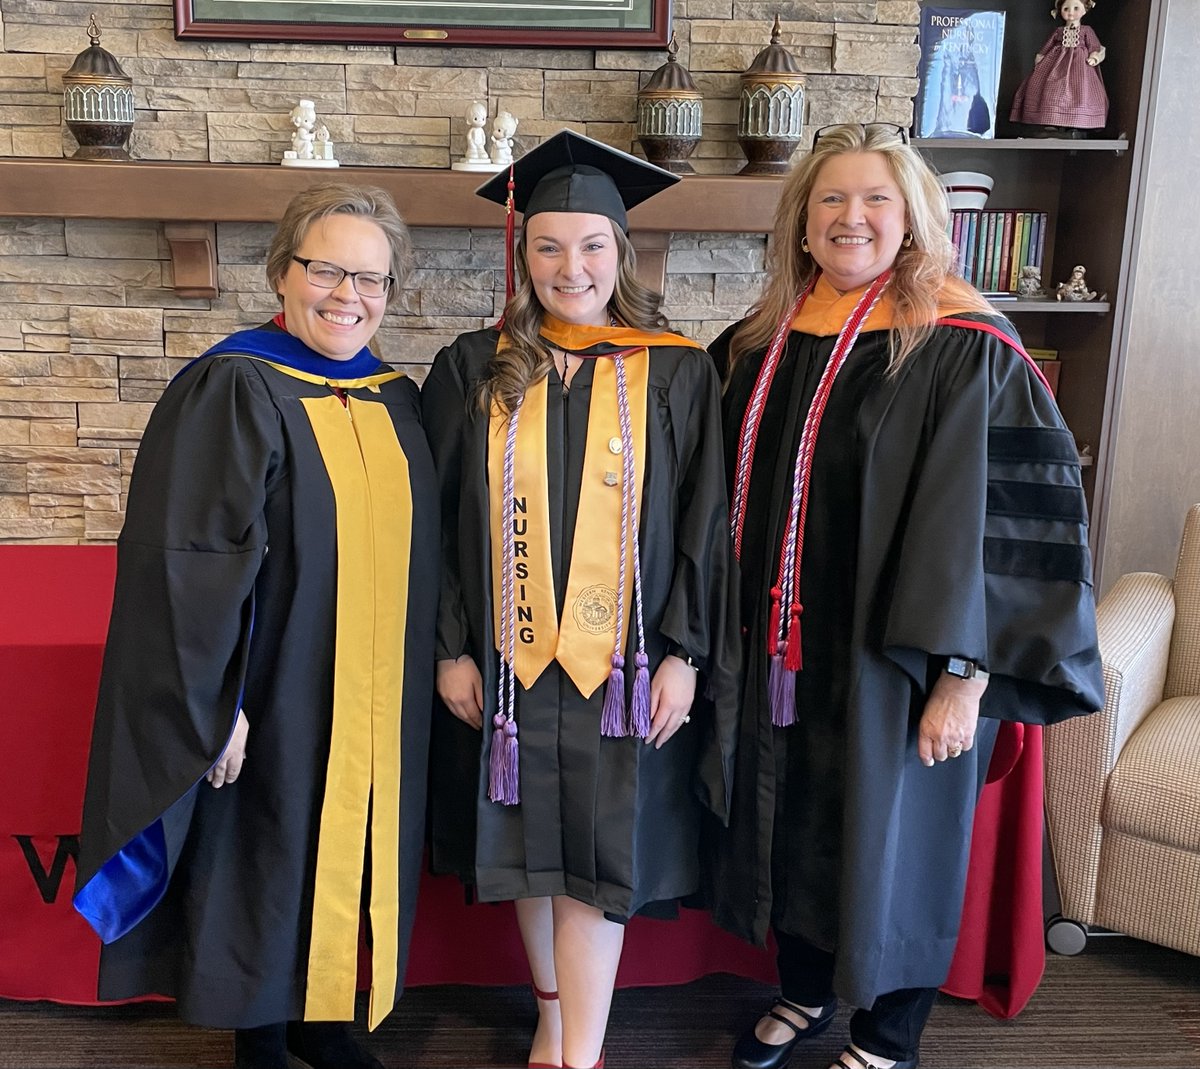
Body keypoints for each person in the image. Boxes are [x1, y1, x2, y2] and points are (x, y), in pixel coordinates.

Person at [705, 122, 1104, 1069]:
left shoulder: (969, 346)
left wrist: (966, 674)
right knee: (793, 813)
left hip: (909, 650)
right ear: (801, 224)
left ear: (914, 216)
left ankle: (889, 1033)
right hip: (783, 646)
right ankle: (802, 989)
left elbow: (1015, 519)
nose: (852, 217)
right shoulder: (760, 344)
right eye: (830, 200)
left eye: (875, 199)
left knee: (904, 835)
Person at [73, 184, 438, 1069]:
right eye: (326, 270)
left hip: (373, 686)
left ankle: (321, 1013)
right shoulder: (235, 384)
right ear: (283, 270)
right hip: (269, 682)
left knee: (344, 844)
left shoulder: (393, 396)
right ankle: (261, 1034)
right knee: (267, 842)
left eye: (372, 278)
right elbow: (186, 558)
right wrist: (217, 701)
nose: (348, 295)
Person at [422, 130, 738, 1069]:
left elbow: (704, 522)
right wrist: (450, 646)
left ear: (622, 252)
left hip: (619, 669)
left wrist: (684, 651)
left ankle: (581, 1053)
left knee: (594, 863)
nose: (573, 267)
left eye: (593, 244)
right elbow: (435, 525)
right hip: (510, 670)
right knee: (527, 850)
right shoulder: (470, 366)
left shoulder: (677, 369)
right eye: (550, 246)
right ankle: (555, 1017)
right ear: (523, 255)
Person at [1010, 0, 1108, 135]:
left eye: (1075, 8)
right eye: (1066, 9)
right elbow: (1048, 45)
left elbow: (1094, 45)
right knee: (1051, 90)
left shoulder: (1086, 30)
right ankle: (1052, 124)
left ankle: (1075, 125)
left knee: (1079, 92)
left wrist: (1094, 56)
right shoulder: (1059, 31)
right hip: (1056, 64)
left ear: (1085, 10)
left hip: (1080, 67)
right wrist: (1041, 58)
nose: (1070, 12)